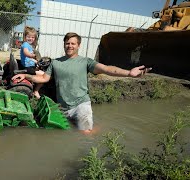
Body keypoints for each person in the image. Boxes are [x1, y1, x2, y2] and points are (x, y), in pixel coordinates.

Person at [12, 32, 151, 135]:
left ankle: (102, 128)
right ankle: (95, 125)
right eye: (67, 43)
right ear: (64, 45)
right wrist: (25, 75)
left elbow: (107, 69)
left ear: (78, 45)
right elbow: (43, 79)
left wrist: (129, 73)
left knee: (85, 134)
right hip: (63, 108)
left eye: (73, 43)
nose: (70, 46)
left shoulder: (86, 62)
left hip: (81, 105)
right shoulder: (55, 62)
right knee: (60, 131)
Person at [20, 26, 44, 99]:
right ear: (25, 37)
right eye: (28, 37)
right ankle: (36, 91)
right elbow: (26, 53)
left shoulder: (30, 46)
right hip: (27, 68)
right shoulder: (25, 45)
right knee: (44, 76)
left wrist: (36, 61)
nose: (30, 39)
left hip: (30, 66)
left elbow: (29, 58)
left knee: (41, 70)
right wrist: (32, 55)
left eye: (32, 37)